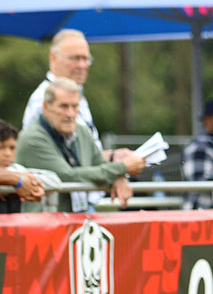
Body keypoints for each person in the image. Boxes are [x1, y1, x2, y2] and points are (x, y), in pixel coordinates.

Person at [22, 29, 135, 205]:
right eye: (75, 58)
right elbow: (64, 170)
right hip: (54, 207)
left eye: (86, 59)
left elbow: (85, 155)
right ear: (53, 58)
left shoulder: (76, 95)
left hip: (80, 202)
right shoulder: (43, 100)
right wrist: (119, 169)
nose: (82, 65)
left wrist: (113, 159)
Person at [16, 78, 145, 213]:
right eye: (63, 106)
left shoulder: (82, 131)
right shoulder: (32, 138)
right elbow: (67, 176)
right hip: (41, 225)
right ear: (46, 106)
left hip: (78, 221)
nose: (70, 114)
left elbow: (101, 165)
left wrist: (118, 177)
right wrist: (123, 167)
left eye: (75, 106)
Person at [0, 119, 45, 214]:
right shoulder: (18, 174)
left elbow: (53, 179)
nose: (7, 153)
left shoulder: (17, 169)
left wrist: (34, 184)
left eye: (12, 148)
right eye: (1, 147)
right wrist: (18, 180)